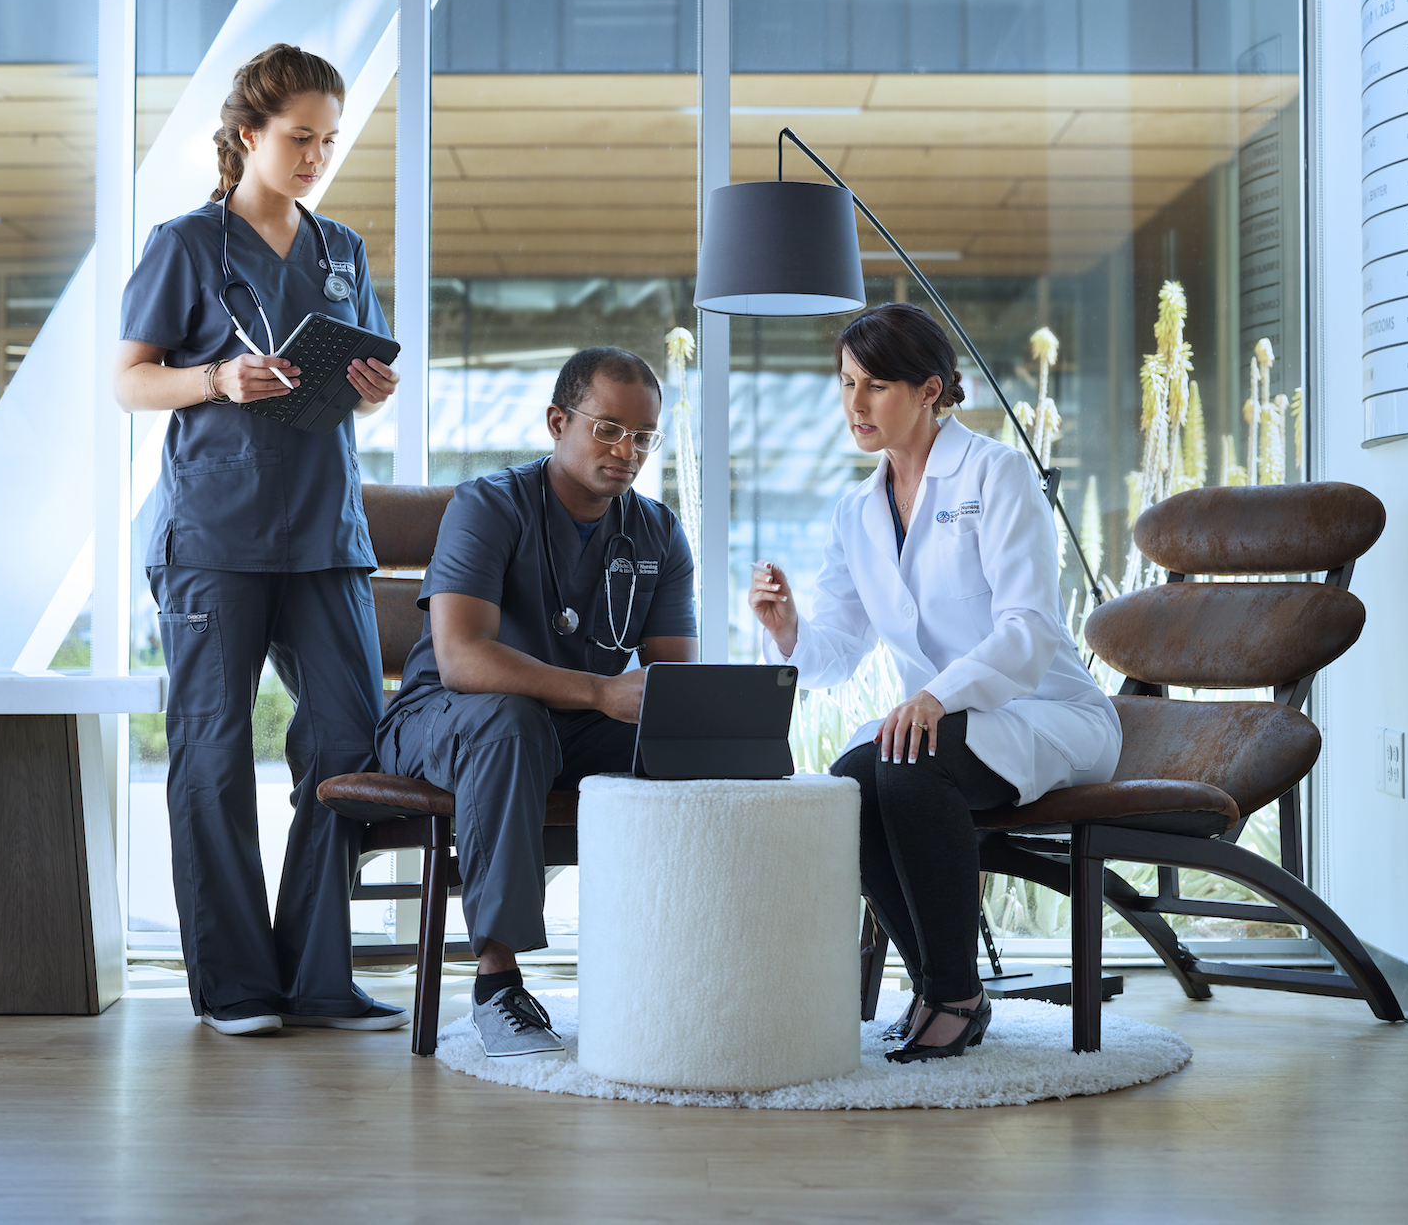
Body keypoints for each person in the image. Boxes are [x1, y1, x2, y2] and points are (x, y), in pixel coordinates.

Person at [114, 43, 406, 1037]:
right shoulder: (187, 243)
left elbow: (351, 369)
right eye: (299, 137)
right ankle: (236, 984)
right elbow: (129, 378)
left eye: (329, 140)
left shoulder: (342, 250)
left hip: (325, 532)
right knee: (211, 751)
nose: (317, 155)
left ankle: (319, 973)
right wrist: (216, 379)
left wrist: (372, 383)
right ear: (248, 136)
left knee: (347, 739)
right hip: (215, 535)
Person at [748, 303, 1120, 1063]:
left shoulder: (997, 472)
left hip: (1046, 713)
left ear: (929, 391)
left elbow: (1028, 630)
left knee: (905, 764)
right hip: (937, 730)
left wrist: (937, 696)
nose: (856, 405)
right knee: (851, 780)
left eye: (877, 385)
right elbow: (836, 653)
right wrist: (787, 627)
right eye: (846, 383)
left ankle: (954, 994)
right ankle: (940, 987)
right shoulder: (856, 512)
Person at [375, 348, 697, 1059]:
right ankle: (498, 986)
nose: (627, 452)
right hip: (444, 718)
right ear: (558, 421)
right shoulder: (489, 505)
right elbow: (462, 658)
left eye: (643, 437)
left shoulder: (657, 535)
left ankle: (682, 973)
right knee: (511, 724)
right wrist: (601, 691)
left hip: (572, 725)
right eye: (608, 429)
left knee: (701, 750)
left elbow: (674, 682)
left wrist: (705, 721)